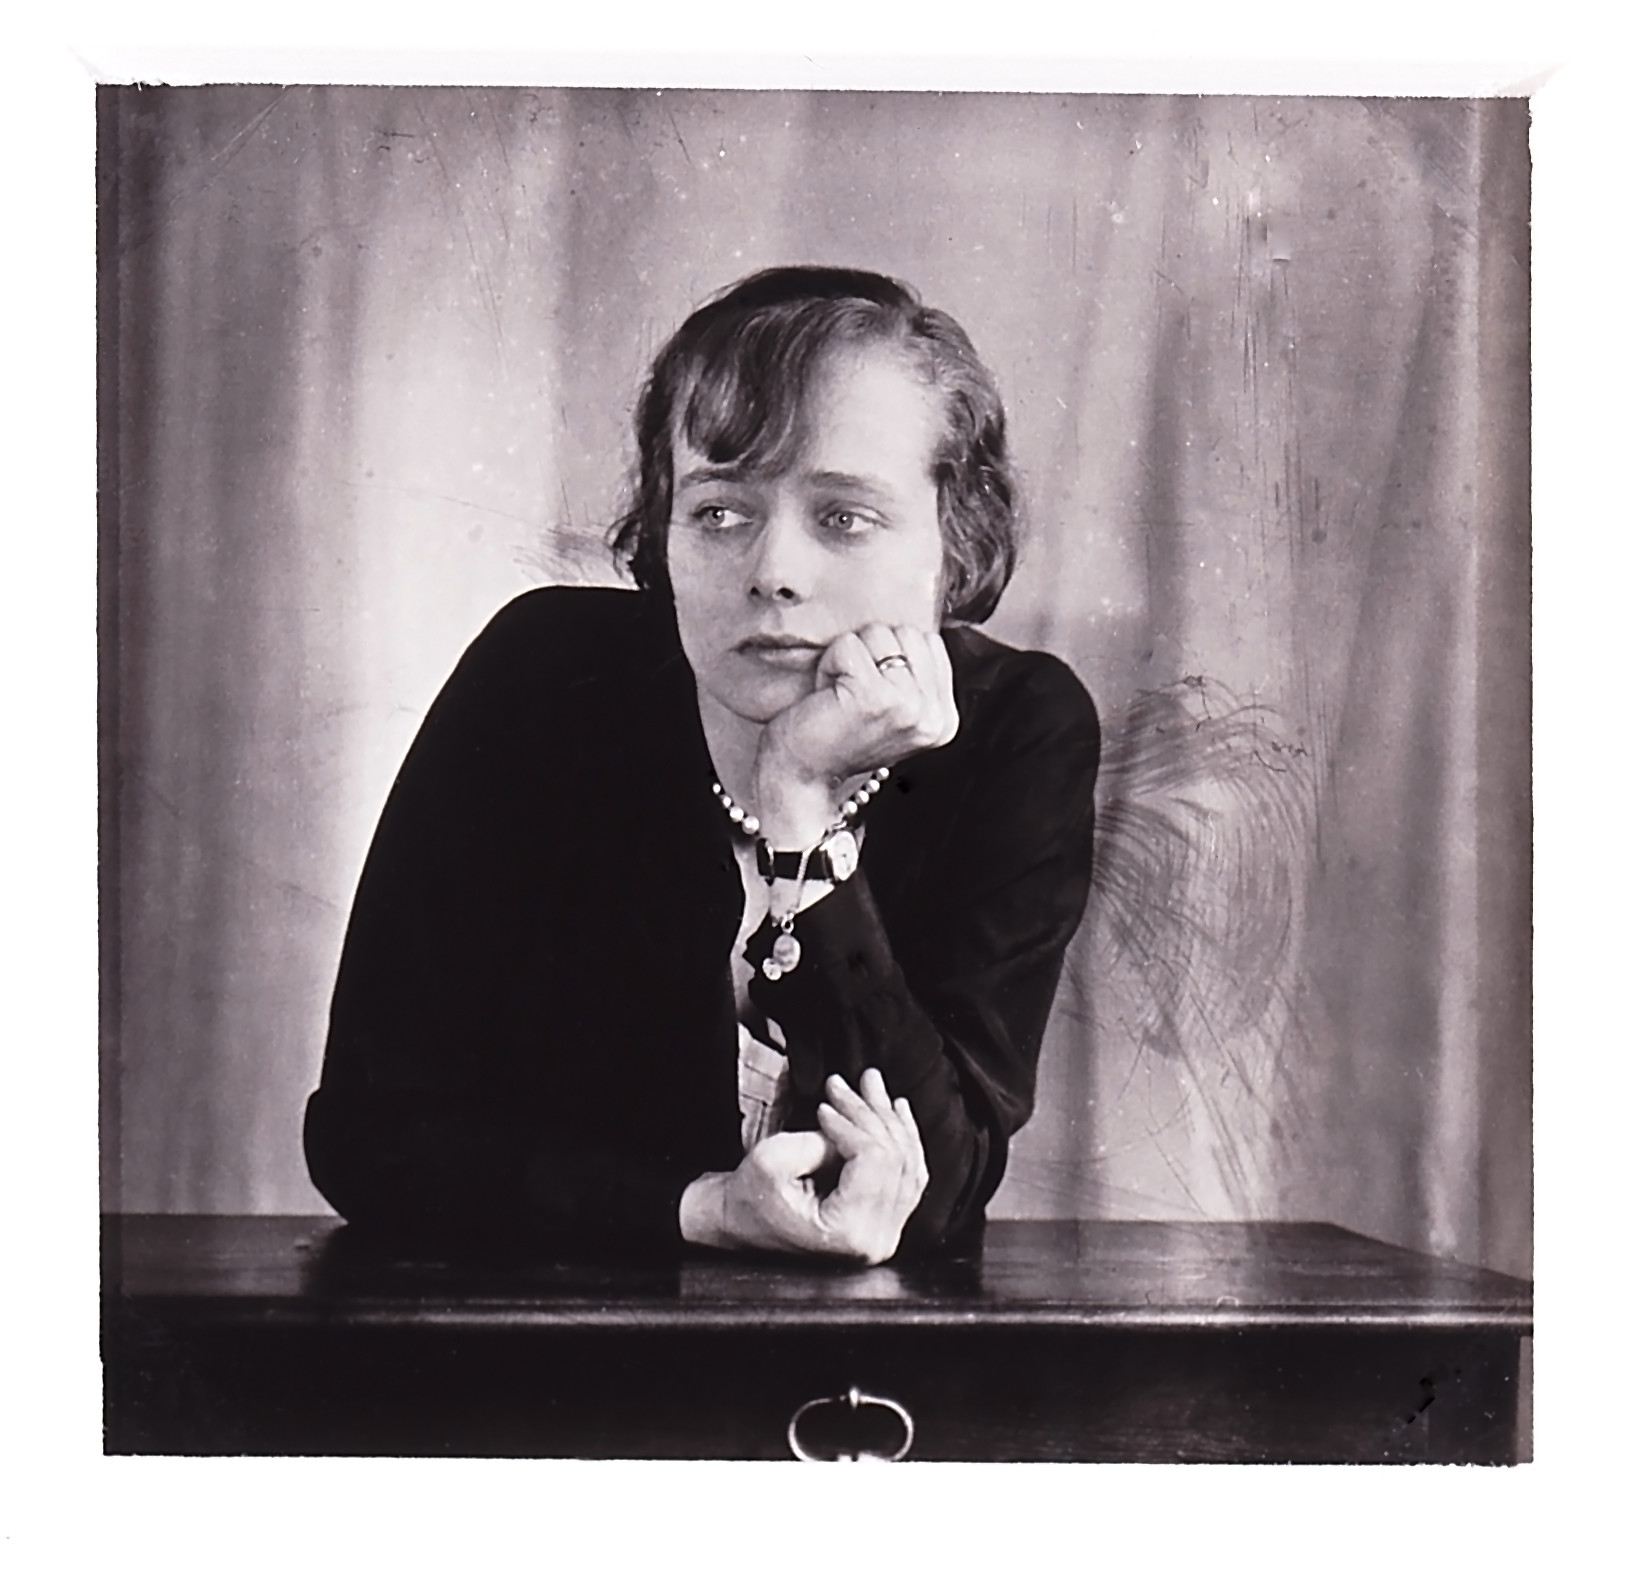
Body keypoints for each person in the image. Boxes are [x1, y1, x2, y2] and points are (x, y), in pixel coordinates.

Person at [303, 266, 1099, 1265]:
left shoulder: (1020, 728)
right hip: (547, 1351)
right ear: (665, 531)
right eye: (720, 511)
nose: (773, 572)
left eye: (844, 517)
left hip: (882, 1372)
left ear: (957, 542)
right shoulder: (545, 679)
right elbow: (368, 1138)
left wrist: (798, 809)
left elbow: (929, 1196)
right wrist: (704, 1208)